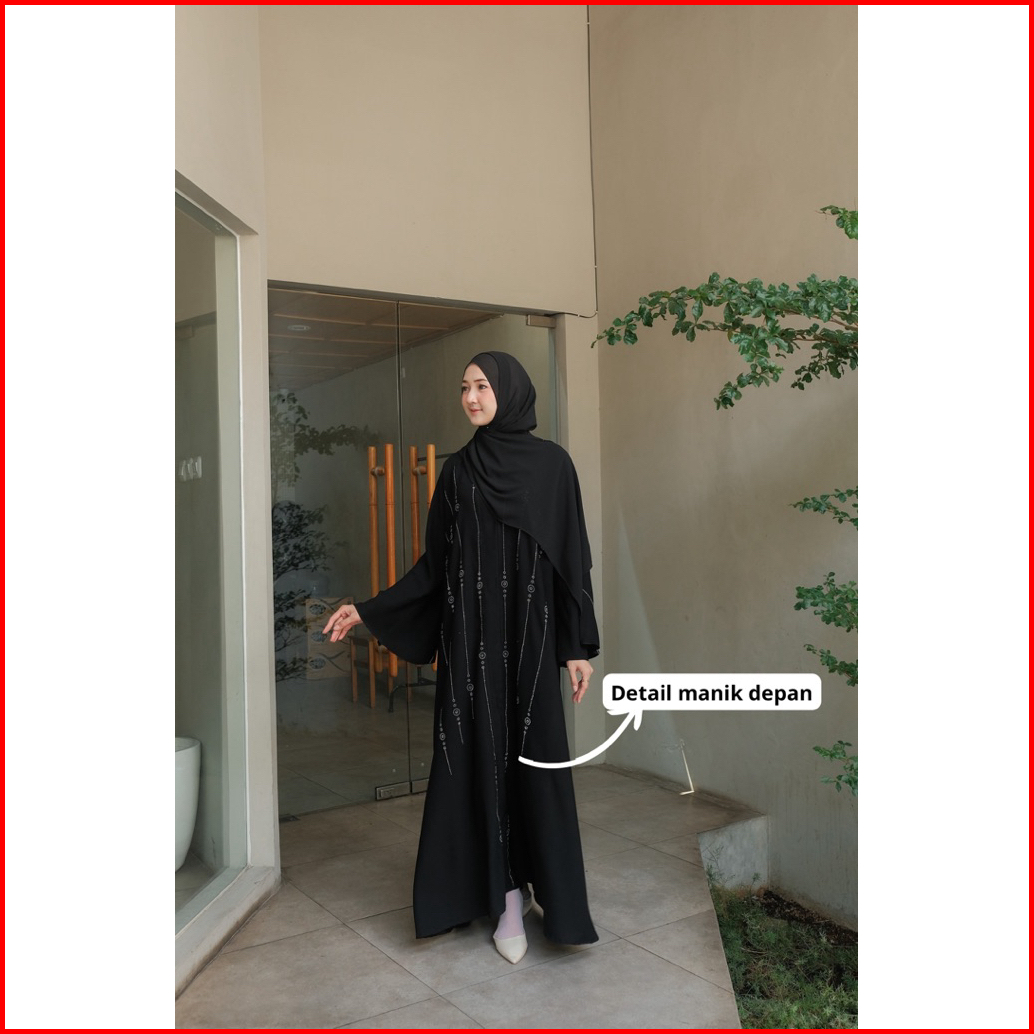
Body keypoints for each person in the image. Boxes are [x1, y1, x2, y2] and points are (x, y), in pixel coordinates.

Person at [323, 350, 599, 963]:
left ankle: (542, 888)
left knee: (534, 764)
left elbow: (571, 559)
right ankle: (505, 898)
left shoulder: (553, 466)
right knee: (477, 763)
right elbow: (434, 568)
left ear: (509, 391)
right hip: (469, 648)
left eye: (482, 386)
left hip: (530, 649)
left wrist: (576, 647)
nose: (471, 397)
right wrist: (368, 610)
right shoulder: (458, 473)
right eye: (465, 387)